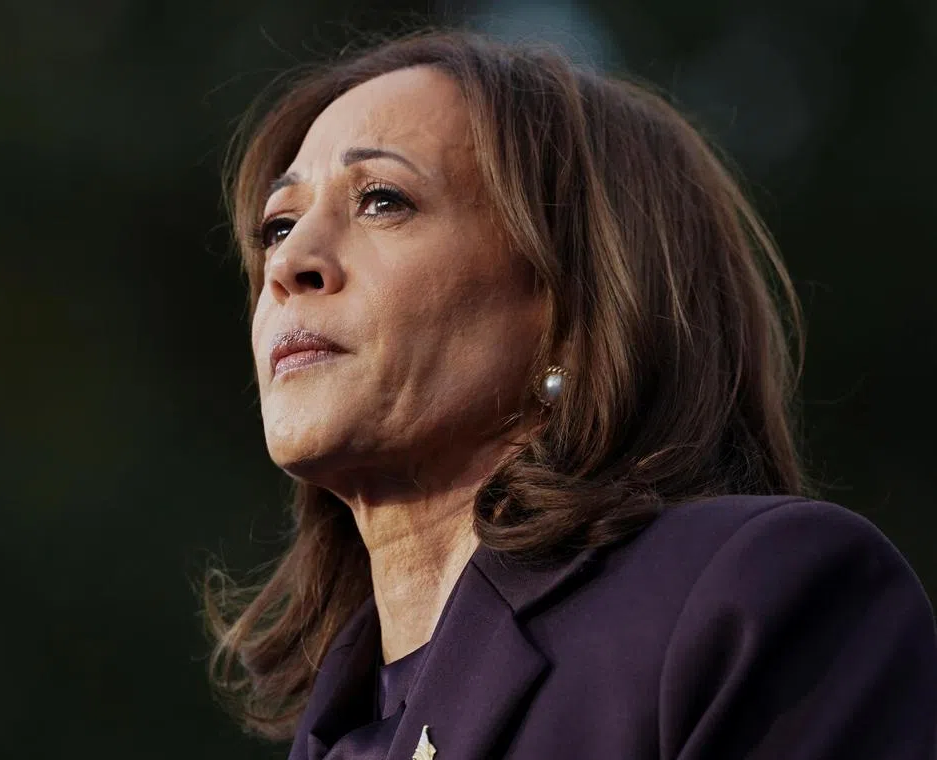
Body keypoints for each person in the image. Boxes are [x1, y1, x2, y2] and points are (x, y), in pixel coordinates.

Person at [204, 29, 937, 760]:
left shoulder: (754, 603)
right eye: (278, 225)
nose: (291, 263)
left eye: (383, 201)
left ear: (573, 307)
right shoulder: (335, 731)